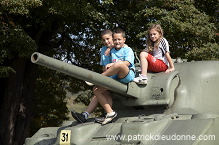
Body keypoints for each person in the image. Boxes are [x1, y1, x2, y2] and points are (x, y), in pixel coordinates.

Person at [94, 28, 135, 125]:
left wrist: (112, 65)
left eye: (119, 39)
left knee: (118, 64)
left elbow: (127, 63)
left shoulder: (128, 49)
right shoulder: (111, 51)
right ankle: (110, 112)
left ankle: (99, 77)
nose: (117, 41)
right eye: (115, 39)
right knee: (96, 89)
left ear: (124, 40)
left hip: (127, 74)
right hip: (116, 77)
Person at [71, 29, 114, 123]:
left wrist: (110, 48)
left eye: (108, 39)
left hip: (115, 77)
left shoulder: (118, 47)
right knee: (103, 92)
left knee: (97, 90)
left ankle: (108, 113)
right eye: (104, 40)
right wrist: (102, 78)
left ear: (113, 38)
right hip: (107, 77)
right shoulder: (103, 50)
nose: (106, 42)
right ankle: (86, 115)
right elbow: (104, 65)